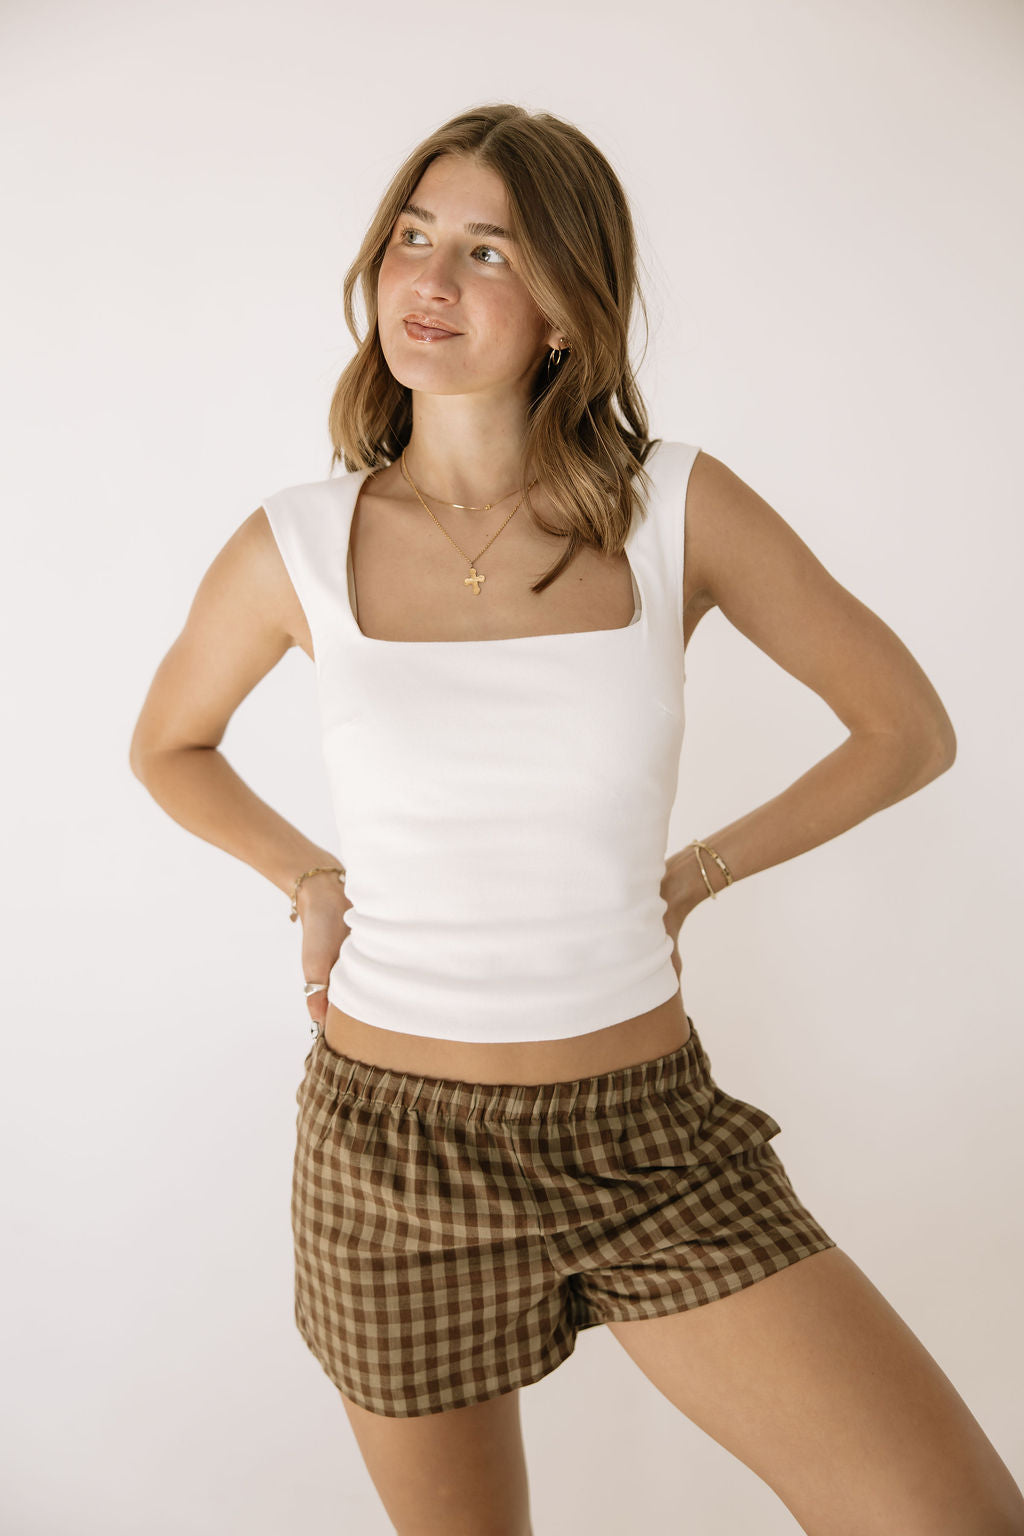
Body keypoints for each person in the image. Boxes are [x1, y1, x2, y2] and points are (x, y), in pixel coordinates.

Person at [129, 104, 1024, 1536]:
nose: (430, 280)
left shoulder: (676, 508)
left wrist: (698, 873)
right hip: (390, 1160)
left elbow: (905, 730)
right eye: (412, 237)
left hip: (649, 1137)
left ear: (565, 307)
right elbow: (169, 745)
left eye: (488, 251)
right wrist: (305, 875)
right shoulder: (296, 542)